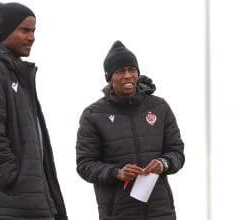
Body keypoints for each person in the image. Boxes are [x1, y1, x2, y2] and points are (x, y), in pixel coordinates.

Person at [0, 2, 67, 220]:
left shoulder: (15, 72)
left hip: (26, 203)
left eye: (34, 30)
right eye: (25, 30)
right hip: (7, 205)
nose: (32, 37)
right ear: (5, 30)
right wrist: (13, 179)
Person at [76, 40, 185, 220]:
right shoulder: (93, 115)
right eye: (120, 71)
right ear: (109, 77)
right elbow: (85, 165)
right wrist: (116, 173)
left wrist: (163, 163)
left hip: (161, 212)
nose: (128, 75)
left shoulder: (160, 107)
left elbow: (177, 152)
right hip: (118, 214)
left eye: (132, 70)